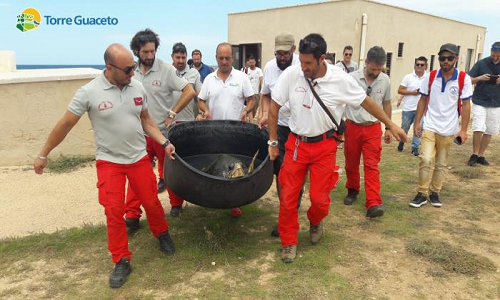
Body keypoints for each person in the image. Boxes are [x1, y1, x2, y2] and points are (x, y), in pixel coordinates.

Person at [33, 44, 177, 288]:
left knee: (152, 201)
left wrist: (164, 143)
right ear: (110, 68)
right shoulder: (89, 92)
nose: (134, 72)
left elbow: (146, 120)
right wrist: (43, 153)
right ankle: (121, 259)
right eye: (128, 69)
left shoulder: (137, 87)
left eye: (134, 67)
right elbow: (65, 125)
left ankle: (162, 233)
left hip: (138, 158)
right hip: (109, 162)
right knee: (113, 211)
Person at [268, 33, 407, 263]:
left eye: (308, 63)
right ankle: (289, 241)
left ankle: (315, 220)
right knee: (288, 196)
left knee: (320, 199)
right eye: (301, 61)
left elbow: (367, 102)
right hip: (296, 144)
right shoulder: (292, 75)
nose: (303, 67)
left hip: (324, 146)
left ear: (322, 58)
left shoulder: (340, 79)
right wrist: (273, 142)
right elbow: (274, 108)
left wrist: (389, 123)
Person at [124, 30, 196, 234]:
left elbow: (189, 91)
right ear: (136, 51)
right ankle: (131, 216)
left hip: (163, 134)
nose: (149, 55)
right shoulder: (130, 72)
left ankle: (175, 204)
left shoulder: (165, 69)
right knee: (136, 177)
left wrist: (173, 113)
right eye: (145, 52)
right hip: (138, 136)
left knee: (170, 173)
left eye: (152, 51)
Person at [410, 43, 472, 208]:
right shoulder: (430, 77)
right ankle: (421, 193)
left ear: (456, 59)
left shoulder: (463, 78)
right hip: (430, 125)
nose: (445, 61)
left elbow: (466, 105)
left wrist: (463, 130)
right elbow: (423, 99)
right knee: (425, 158)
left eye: (449, 58)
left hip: (449, 128)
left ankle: (435, 192)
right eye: (442, 58)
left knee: (441, 163)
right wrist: (417, 122)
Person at [197, 42, 255, 217]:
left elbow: (252, 99)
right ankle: (213, 198)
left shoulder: (241, 78)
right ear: (216, 58)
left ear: (232, 58)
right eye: (221, 58)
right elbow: (201, 100)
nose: (224, 61)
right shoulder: (209, 79)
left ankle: (234, 203)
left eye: (227, 58)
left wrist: (246, 111)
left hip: (235, 132)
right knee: (214, 165)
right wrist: (205, 110)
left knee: (234, 168)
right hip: (213, 131)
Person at [258, 32, 302, 238]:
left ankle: (292, 205)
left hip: (300, 127)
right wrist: (266, 113)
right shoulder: (269, 67)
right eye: (278, 53)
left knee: (295, 172)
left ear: (293, 50)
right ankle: (286, 211)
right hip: (280, 127)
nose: (281, 57)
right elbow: (265, 94)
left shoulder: (302, 67)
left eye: (285, 53)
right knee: (281, 172)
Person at [343, 46, 392, 218]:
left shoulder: (385, 80)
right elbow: (342, 102)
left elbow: (387, 104)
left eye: (379, 69)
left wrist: (389, 127)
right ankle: (352, 189)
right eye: (373, 69)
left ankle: (373, 202)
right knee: (351, 162)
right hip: (352, 126)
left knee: (372, 165)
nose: (376, 72)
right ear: (366, 63)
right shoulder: (351, 78)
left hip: (372, 128)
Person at [168, 42, 203, 217]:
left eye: (183, 57)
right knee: (172, 166)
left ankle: (197, 195)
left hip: (188, 124)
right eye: (177, 57)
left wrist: (202, 112)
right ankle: (176, 204)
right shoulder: (166, 73)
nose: (180, 60)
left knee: (189, 164)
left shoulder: (194, 73)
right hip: (169, 126)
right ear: (172, 57)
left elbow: (201, 96)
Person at [467, 41, 500, 166]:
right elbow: (468, 79)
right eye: (493, 55)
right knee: (478, 127)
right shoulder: (481, 63)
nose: (495, 57)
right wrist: (480, 78)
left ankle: (481, 155)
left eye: (498, 56)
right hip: (480, 100)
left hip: (496, 102)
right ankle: (474, 154)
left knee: (489, 130)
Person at [397, 56, 428, 156]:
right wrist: (412, 93)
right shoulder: (408, 77)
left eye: (421, 65)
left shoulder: (428, 78)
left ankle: (415, 147)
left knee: (418, 128)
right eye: (417, 64)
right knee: (404, 128)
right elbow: (400, 90)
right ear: (414, 66)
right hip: (408, 108)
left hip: (421, 109)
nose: (419, 66)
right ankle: (402, 141)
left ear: (426, 66)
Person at [243, 55, 263, 120]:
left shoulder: (259, 70)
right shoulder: (246, 70)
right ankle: (250, 122)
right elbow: (243, 81)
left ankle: (251, 120)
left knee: (254, 109)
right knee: (250, 109)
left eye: (252, 62)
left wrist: (261, 91)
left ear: (255, 62)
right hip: (248, 93)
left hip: (256, 93)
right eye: (250, 62)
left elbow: (261, 80)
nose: (251, 64)